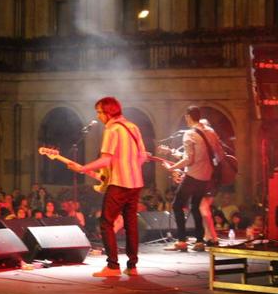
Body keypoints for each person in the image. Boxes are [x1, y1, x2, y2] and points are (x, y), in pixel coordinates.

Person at [66, 97, 147, 277]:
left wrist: (83, 168)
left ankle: (112, 266)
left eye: (99, 112)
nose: (98, 116)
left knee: (106, 223)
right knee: (131, 224)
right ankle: (132, 266)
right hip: (136, 183)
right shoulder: (133, 127)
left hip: (119, 182)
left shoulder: (112, 129)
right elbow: (143, 156)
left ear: (108, 112)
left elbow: (106, 159)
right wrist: (131, 167)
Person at [162, 106, 224, 252]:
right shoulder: (211, 132)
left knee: (177, 205)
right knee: (195, 206)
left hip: (193, 176)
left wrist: (171, 168)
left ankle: (182, 241)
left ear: (188, 117)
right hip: (206, 177)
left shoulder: (189, 134)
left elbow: (189, 159)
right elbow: (219, 154)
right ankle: (200, 241)